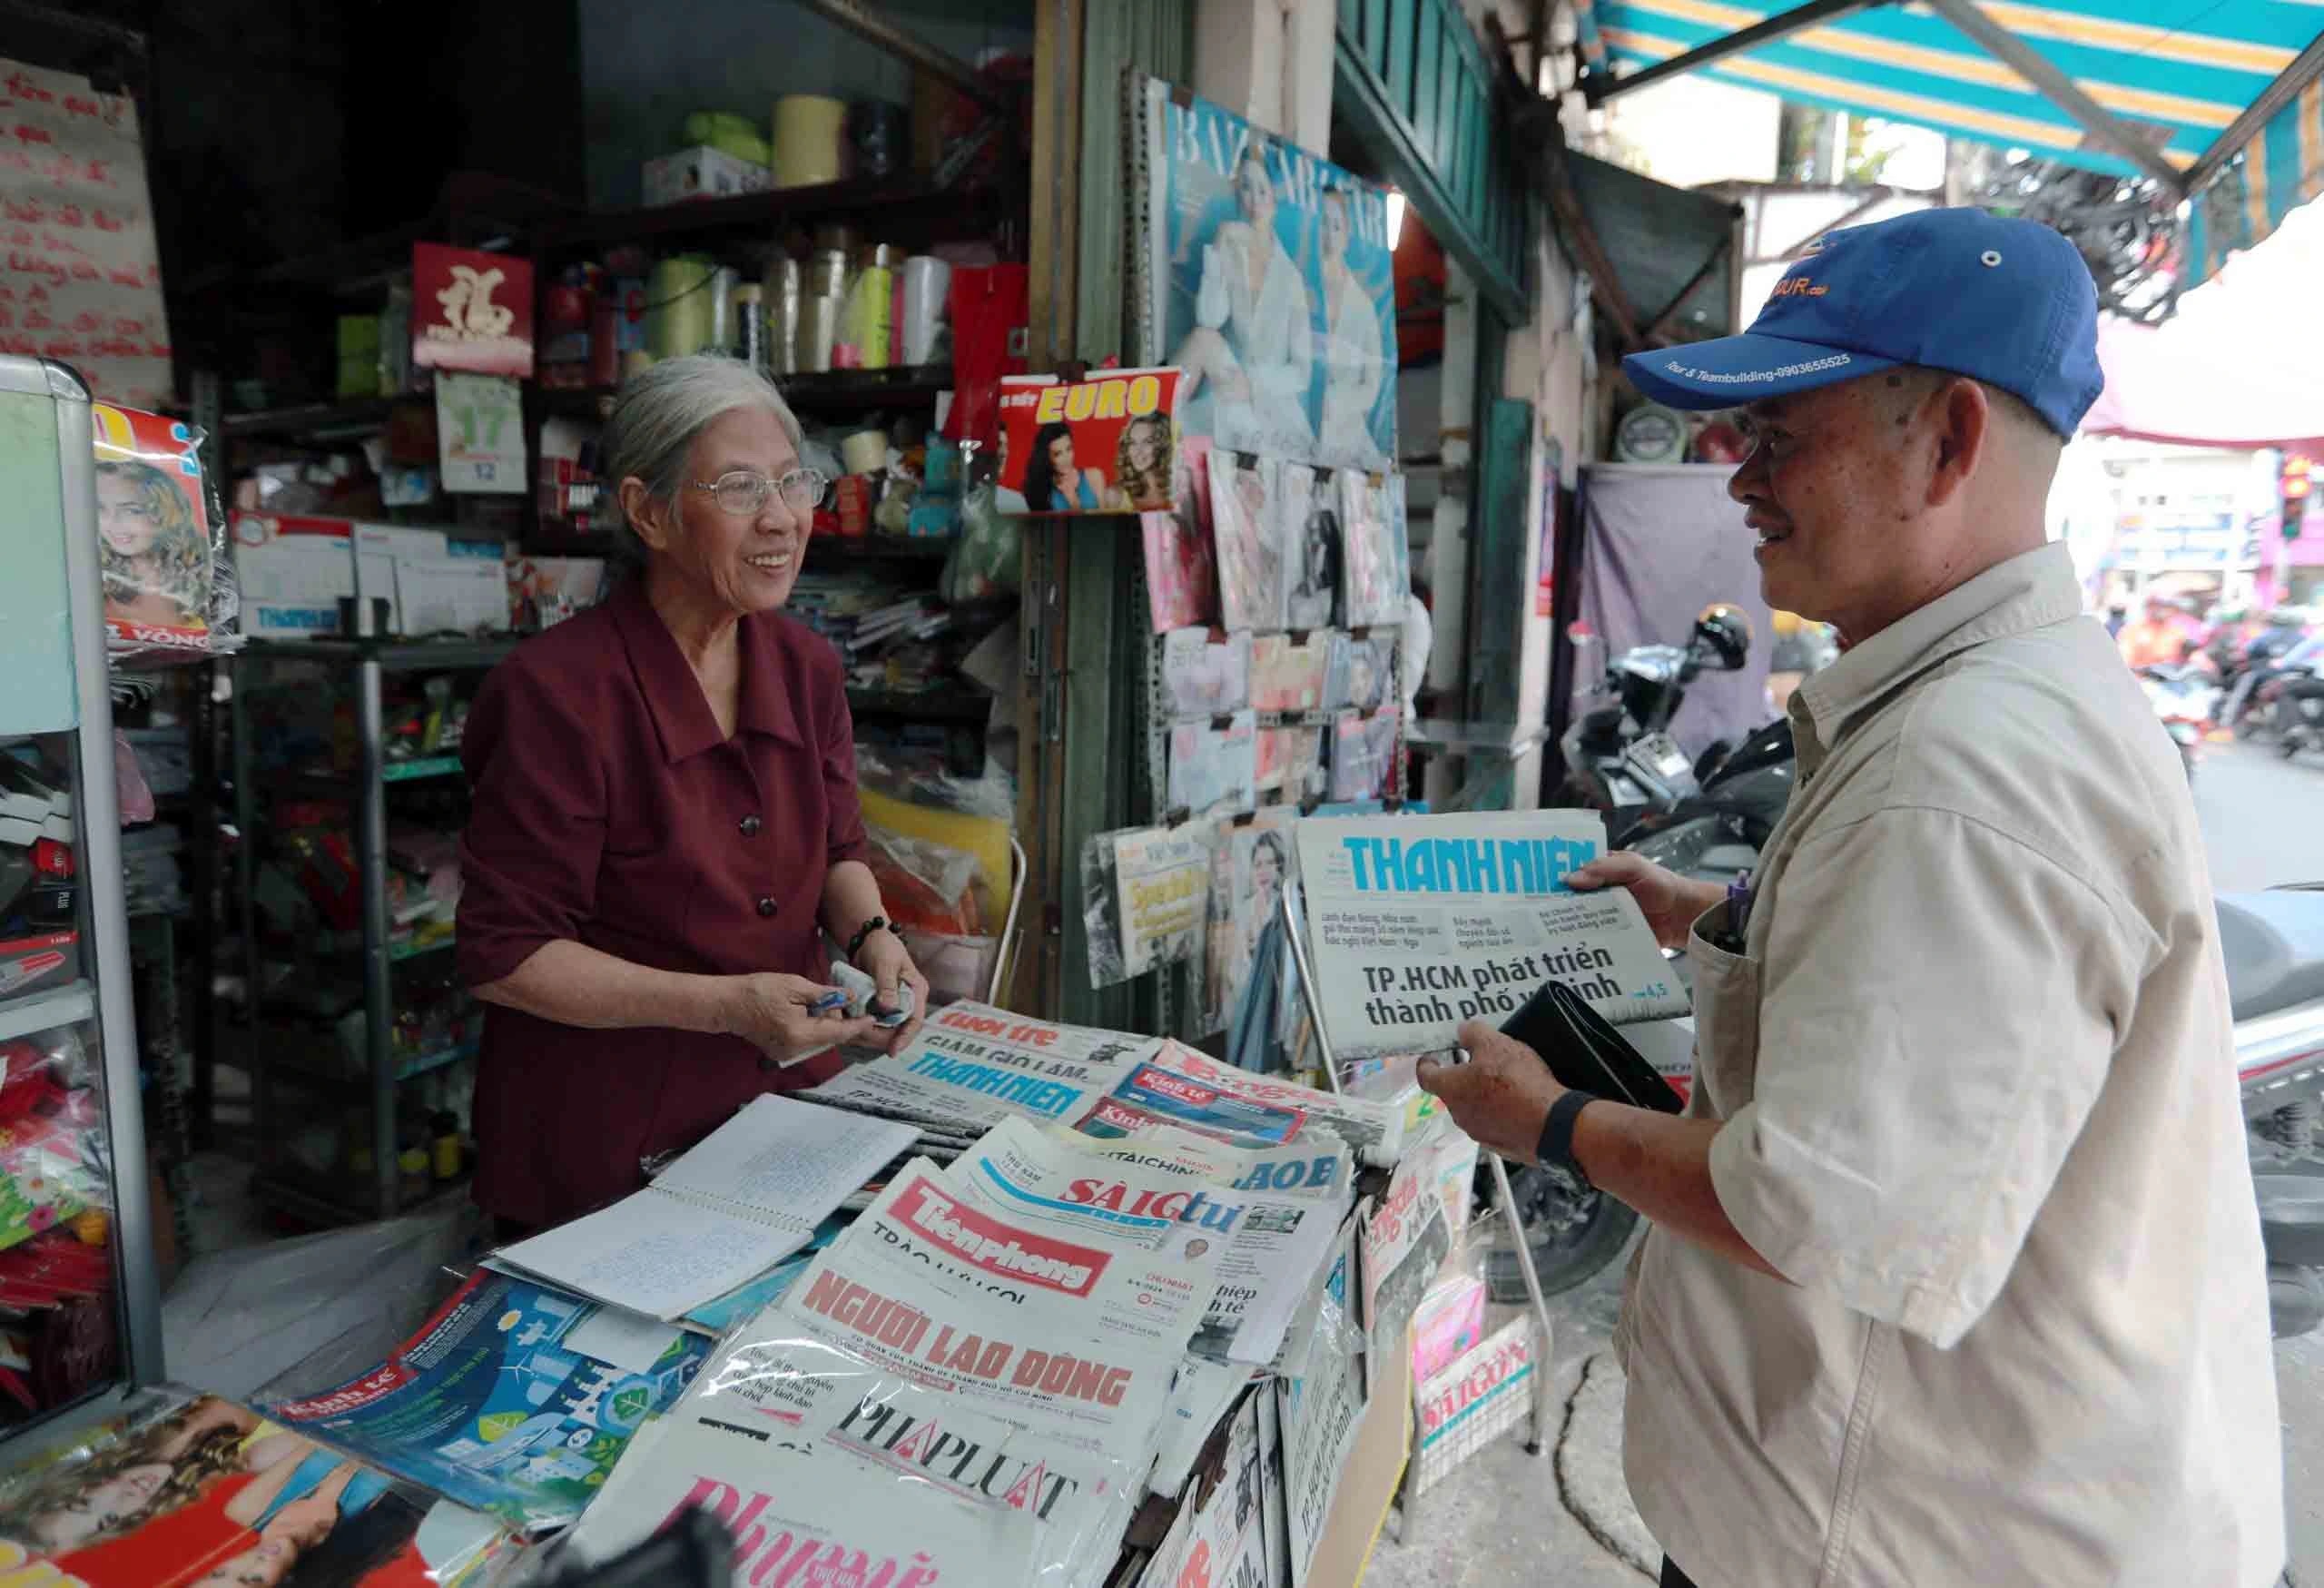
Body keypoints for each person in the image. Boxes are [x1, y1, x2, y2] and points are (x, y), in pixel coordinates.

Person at [1417, 209, 2280, 1587]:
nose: (1739, 479)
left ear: (1946, 440)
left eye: (1779, 436)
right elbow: (1927, 1000)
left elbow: (1810, 1211)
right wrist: (1712, 915)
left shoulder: (1965, 778)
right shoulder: (1977, 706)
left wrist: (1553, 1121)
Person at [457, 355, 929, 1234]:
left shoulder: (806, 666)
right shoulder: (557, 693)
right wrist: (726, 1008)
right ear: (648, 511)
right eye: (742, 487)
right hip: (603, 1143)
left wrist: (874, 939)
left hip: (781, 1111)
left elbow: (838, 849)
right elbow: (506, 955)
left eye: (795, 481)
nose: (783, 518)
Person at [1171, 144, 1315, 452]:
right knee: (1202, 336)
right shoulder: (1232, 248)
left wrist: (1254, 384)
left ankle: (1159, 424)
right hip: (1229, 381)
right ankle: (1154, 423)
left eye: (1262, 190)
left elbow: (1302, 371)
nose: (1254, 200)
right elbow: (1209, 319)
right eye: (1246, 189)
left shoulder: (1291, 279)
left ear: (1274, 199)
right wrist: (1219, 246)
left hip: (1269, 399)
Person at [94, 458, 209, 631]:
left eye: (132, 510)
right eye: (100, 509)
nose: (112, 522)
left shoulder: (196, 577)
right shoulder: (92, 577)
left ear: (166, 513)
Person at [1315, 187, 1385, 466]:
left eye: (1336, 226)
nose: (1329, 234)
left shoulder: (1363, 307)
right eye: (1323, 223)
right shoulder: (1298, 286)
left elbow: (1372, 383)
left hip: (1346, 431)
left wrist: (1338, 403)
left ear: (1346, 234)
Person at [1019, 421, 1105, 512]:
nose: (1066, 458)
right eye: (1058, 454)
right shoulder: (1043, 490)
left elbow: (1105, 520)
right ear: (1047, 458)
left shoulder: (1094, 476)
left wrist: (1073, 500)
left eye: (1069, 449)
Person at [1104, 413, 1173, 510]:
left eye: (1147, 442)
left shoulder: (1178, 487)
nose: (1137, 451)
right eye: (1133, 443)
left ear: (1163, 444)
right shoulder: (1115, 495)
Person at [2116, 591, 2188, 669]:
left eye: (2164, 605)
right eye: (2154, 605)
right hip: (2139, 678)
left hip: (2168, 677)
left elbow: (2189, 656)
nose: (2159, 609)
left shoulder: (2177, 631)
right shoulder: (2132, 630)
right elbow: (2125, 657)